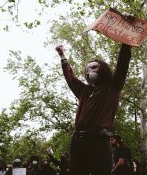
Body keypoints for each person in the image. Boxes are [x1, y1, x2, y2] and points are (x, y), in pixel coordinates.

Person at [55, 23, 132, 175]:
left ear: (102, 70)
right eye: (88, 68)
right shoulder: (84, 91)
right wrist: (63, 56)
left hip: (98, 142)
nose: (90, 70)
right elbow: (70, 79)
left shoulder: (112, 87)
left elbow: (122, 64)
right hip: (78, 142)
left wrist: (126, 39)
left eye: (94, 67)